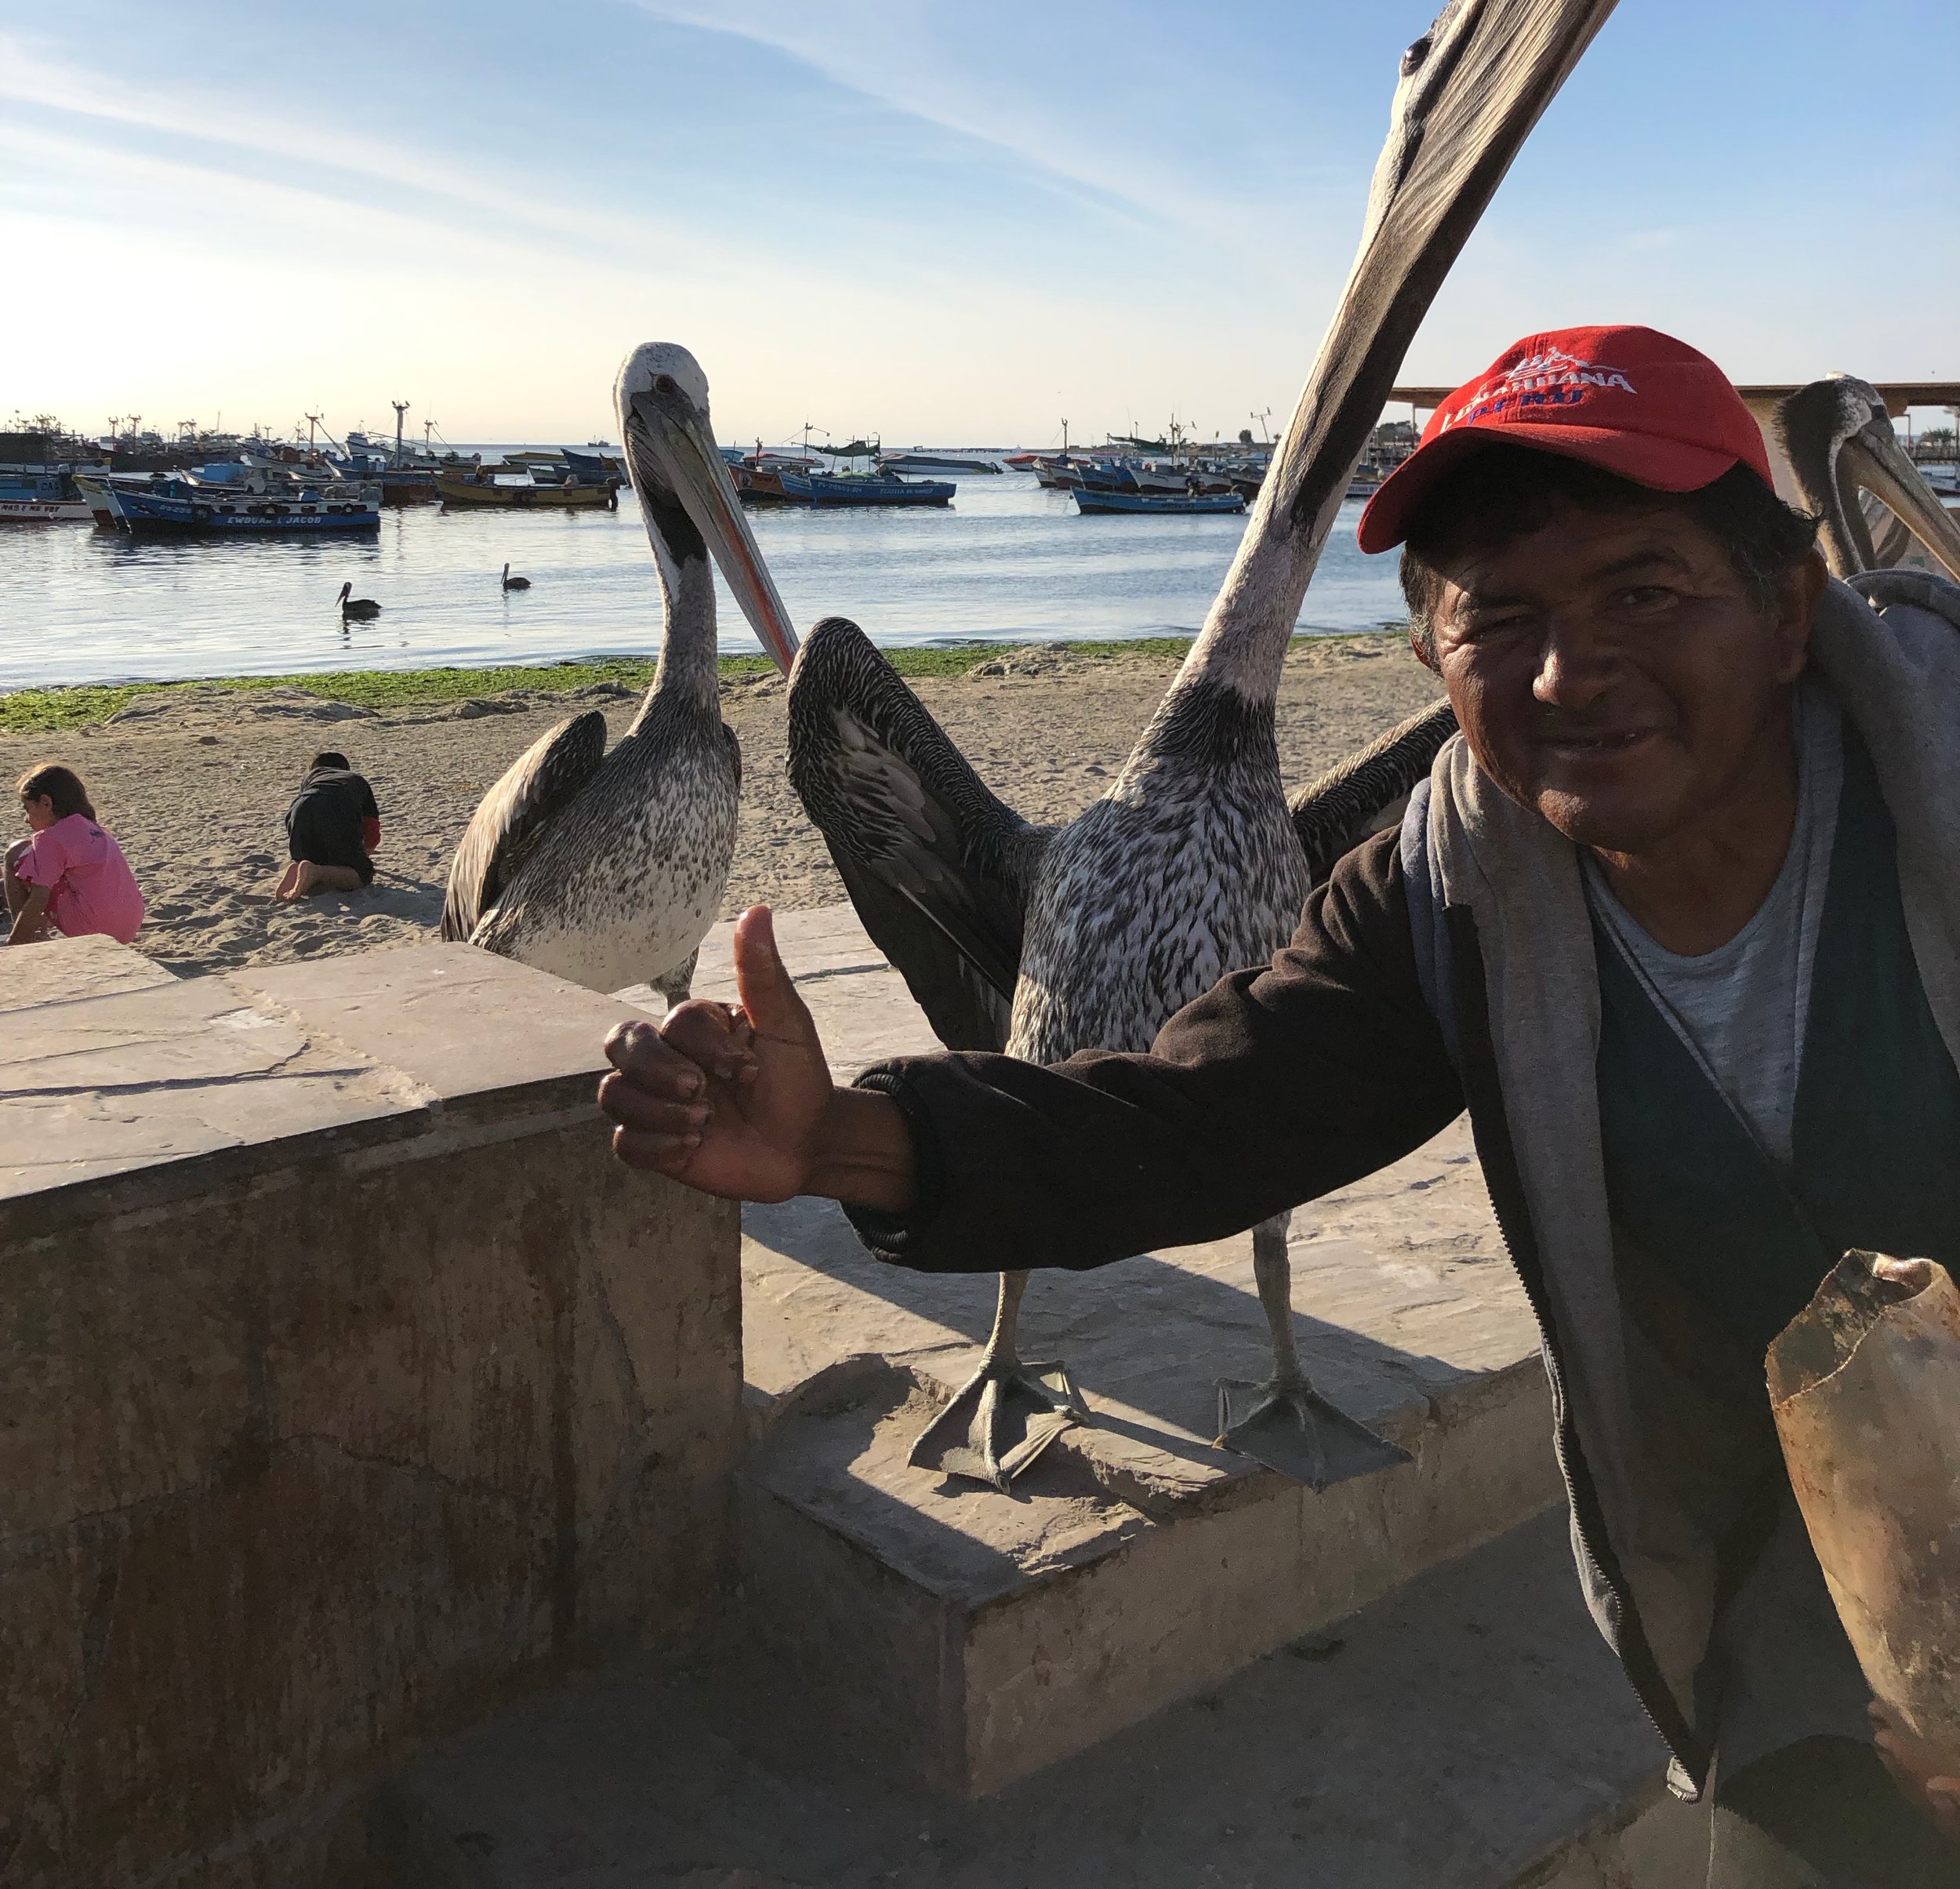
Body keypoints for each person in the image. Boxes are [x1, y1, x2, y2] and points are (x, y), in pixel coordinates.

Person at [601, 325, 1960, 1889]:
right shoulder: (1461, 886)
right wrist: (835, 1138)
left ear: (1787, 609)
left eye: (1643, 593)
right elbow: (1201, 1115)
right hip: (1816, 1579)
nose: (1565, 671)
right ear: (1425, 662)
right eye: (1497, 614)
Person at [5, 763, 146, 946]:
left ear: (46, 802)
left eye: (28, 809)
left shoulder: (49, 838)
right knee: (43, 862)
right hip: (128, 927)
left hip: (92, 930)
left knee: (16, 854)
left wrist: (13, 944)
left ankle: (26, 938)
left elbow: (39, 898)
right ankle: (33, 929)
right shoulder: (94, 827)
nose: (26, 819)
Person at [274, 750, 382, 902]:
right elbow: (372, 830)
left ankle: (298, 865)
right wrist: (362, 859)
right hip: (337, 806)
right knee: (362, 875)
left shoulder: (311, 778)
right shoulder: (355, 780)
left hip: (300, 808)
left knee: (313, 857)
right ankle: (316, 872)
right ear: (345, 768)